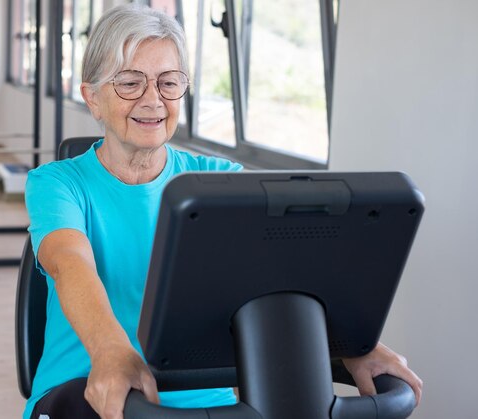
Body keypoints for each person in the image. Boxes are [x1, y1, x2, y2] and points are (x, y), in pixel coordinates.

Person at [24, 4, 423, 419]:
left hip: (202, 403)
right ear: (93, 98)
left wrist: (353, 348)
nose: (153, 100)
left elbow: (283, 276)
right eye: (129, 83)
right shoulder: (56, 183)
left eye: (168, 82)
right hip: (87, 388)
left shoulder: (220, 183)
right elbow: (70, 263)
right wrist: (111, 351)